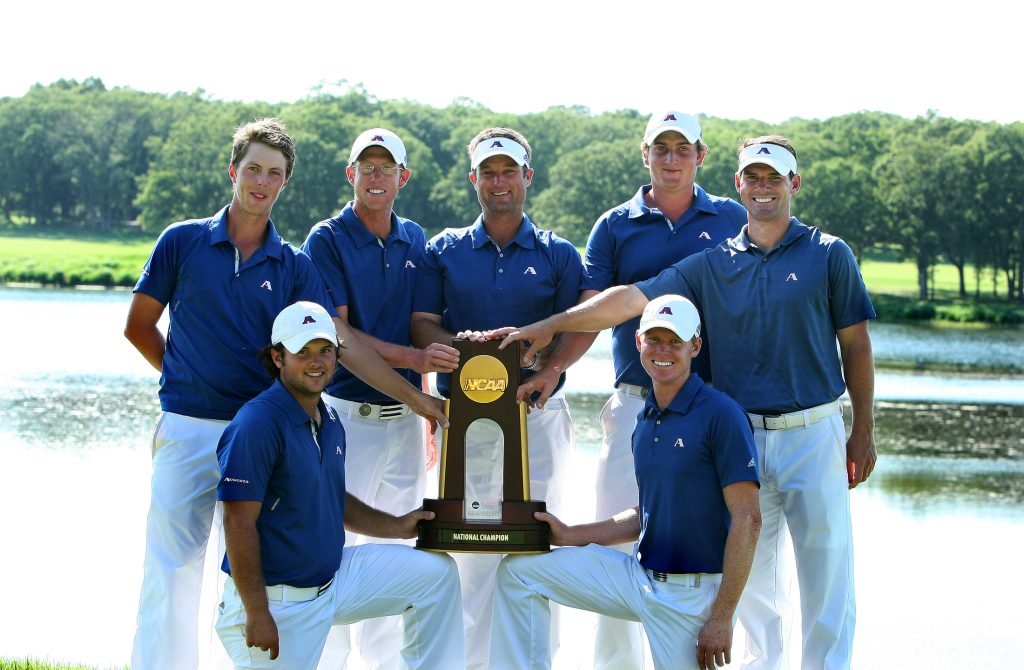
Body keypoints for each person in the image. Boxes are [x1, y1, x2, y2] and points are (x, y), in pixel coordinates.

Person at [499, 135, 877, 669]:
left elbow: (855, 344)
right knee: (753, 586)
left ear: (794, 184)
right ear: (738, 184)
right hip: (742, 437)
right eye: (754, 177)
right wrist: (548, 327)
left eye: (775, 178)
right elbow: (630, 300)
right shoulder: (711, 264)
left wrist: (863, 428)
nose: (764, 187)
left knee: (827, 579)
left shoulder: (828, 253)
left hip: (813, 432)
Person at [124, 118, 447, 670]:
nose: (261, 181)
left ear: (284, 184)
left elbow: (340, 341)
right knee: (173, 566)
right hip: (187, 428)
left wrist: (418, 398)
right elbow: (138, 326)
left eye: (274, 173)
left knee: (255, 565)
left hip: (257, 436)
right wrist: (183, 378)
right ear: (234, 170)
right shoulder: (181, 242)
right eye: (252, 168)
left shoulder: (294, 266)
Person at [558, 111, 746, 669]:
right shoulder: (614, 225)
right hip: (635, 406)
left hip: (709, 414)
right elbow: (592, 315)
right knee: (615, 547)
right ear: (645, 155)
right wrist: (551, 369)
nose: (670, 159)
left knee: (716, 555)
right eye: (659, 148)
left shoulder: (733, 217)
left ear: (700, 157)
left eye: (681, 149)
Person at [488, 295, 760, 670]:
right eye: (654, 340)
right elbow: (647, 512)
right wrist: (570, 535)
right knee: (519, 573)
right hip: (636, 578)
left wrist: (722, 617)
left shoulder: (722, 415)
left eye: (675, 342)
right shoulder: (646, 418)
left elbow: (749, 519)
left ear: (695, 346)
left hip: (691, 597)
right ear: (638, 343)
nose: (662, 351)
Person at [410, 127, 584, 670]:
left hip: (537, 418)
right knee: (470, 553)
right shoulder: (444, 250)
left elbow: (579, 326)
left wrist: (546, 365)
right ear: (474, 179)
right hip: (467, 427)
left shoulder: (557, 252)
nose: (499, 181)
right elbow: (422, 324)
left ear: (527, 177)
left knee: (535, 547)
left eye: (510, 170)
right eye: (489, 171)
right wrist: (465, 352)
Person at [215, 301, 464, 669]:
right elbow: (237, 523)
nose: (317, 361)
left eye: (326, 350)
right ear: (278, 357)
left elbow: (333, 498)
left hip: (333, 581)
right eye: (303, 352)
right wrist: (257, 613)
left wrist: (397, 526)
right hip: (278, 603)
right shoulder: (256, 424)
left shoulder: (328, 417)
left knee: (435, 575)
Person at [301, 127, 459, 669]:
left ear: (402, 177)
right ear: (351, 174)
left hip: (406, 424)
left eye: (385, 167)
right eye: (365, 166)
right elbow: (340, 338)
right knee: (333, 553)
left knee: (397, 553)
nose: (375, 175)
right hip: (346, 416)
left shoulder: (416, 238)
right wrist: (417, 368)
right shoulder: (325, 240)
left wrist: (437, 394)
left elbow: (423, 326)